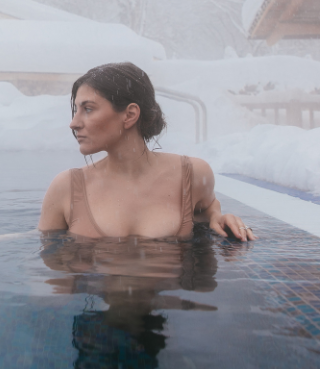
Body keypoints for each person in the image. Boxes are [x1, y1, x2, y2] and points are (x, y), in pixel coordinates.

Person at [39, 62, 255, 242]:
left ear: (130, 114)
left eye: (88, 109)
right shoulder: (66, 188)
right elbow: (49, 280)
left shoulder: (192, 174)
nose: (74, 123)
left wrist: (216, 216)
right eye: (76, 110)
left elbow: (207, 206)